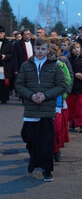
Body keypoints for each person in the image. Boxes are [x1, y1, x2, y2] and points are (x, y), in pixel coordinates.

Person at [16, 37, 67, 182]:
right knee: (28, 136)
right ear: (34, 49)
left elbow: (62, 86)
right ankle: (34, 158)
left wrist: (45, 95)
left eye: (43, 49)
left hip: (47, 108)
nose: (40, 52)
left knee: (46, 141)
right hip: (31, 108)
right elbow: (19, 85)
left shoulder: (55, 66)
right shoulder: (26, 65)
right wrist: (31, 95)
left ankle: (47, 169)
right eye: (37, 49)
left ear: (48, 50)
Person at [67, 42, 82, 132]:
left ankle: (79, 124)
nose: (76, 49)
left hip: (81, 86)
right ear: (71, 50)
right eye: (74, 48)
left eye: (78, 47)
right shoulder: (68, 60)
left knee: (79, 107)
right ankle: (72, 123)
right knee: (72, 107)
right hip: (72, 87)